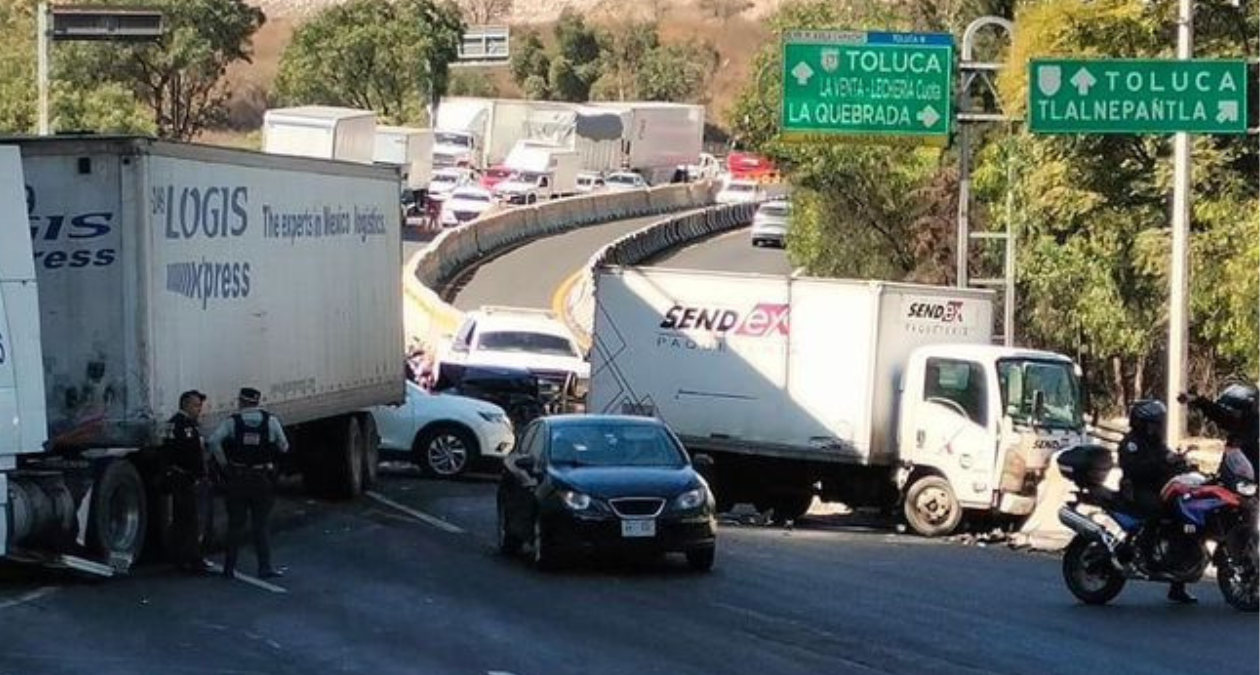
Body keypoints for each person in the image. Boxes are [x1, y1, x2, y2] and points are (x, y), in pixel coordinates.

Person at [1117, 399, 1197, 604]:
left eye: (1159, 423)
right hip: (1137, 489)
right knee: (1156, 510)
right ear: (1142, 423)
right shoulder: (1132, 443)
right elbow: (1134, 469)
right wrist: (1163, 463)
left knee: (1183, 517)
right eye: (1154, 423)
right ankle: (1146, 554)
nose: (1157, 427)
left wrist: (1183, 464)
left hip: (1157, 487)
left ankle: (1178, 580)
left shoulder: (1156, 444)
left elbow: (1167, 458)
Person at [207, 387, 290, 580]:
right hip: (261, 478)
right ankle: (264, 567)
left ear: (241, 402)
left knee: (235, 525)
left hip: (238, 478)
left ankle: (229, 567)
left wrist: (224, 464)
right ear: (257, 402)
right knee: (260, 524)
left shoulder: (232, 422)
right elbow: (284, 446)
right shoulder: (270, 421)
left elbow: (213, 441)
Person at [163, 390, 213, 574]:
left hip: (179, 476)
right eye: (195, 405)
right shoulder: (184, 425)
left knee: (181, 520)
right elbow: (191, 454)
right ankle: (193, 560)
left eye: (199, 406)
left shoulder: (176, 424)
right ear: (185, 404)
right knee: (189, 521)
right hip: (185, 478)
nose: (198, 409)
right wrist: (200, 474)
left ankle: (180, 558)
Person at [1180, 383, 1259, 471]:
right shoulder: (1247, 422)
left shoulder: (1250, 423)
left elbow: (1220, 414)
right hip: (1234, 475)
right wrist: (1196, 399)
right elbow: (1219, 414)